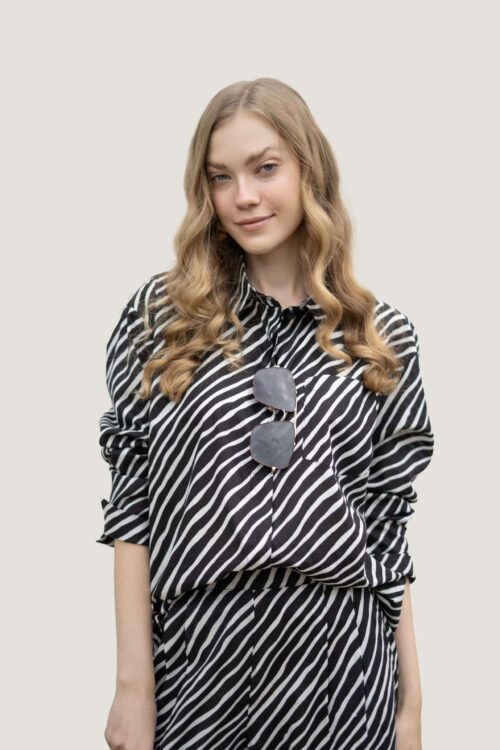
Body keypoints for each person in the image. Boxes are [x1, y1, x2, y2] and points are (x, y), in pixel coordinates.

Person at [96, 77, 434, 750]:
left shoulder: (380, 338)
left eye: (265, 168)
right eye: (220, 177)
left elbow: (385, 530)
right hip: (199, 669)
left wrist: (410, 708)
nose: (243, 196)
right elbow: (134, 506)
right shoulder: (162, 320)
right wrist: (133, 688)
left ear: (310, 169)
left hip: (343, 673)